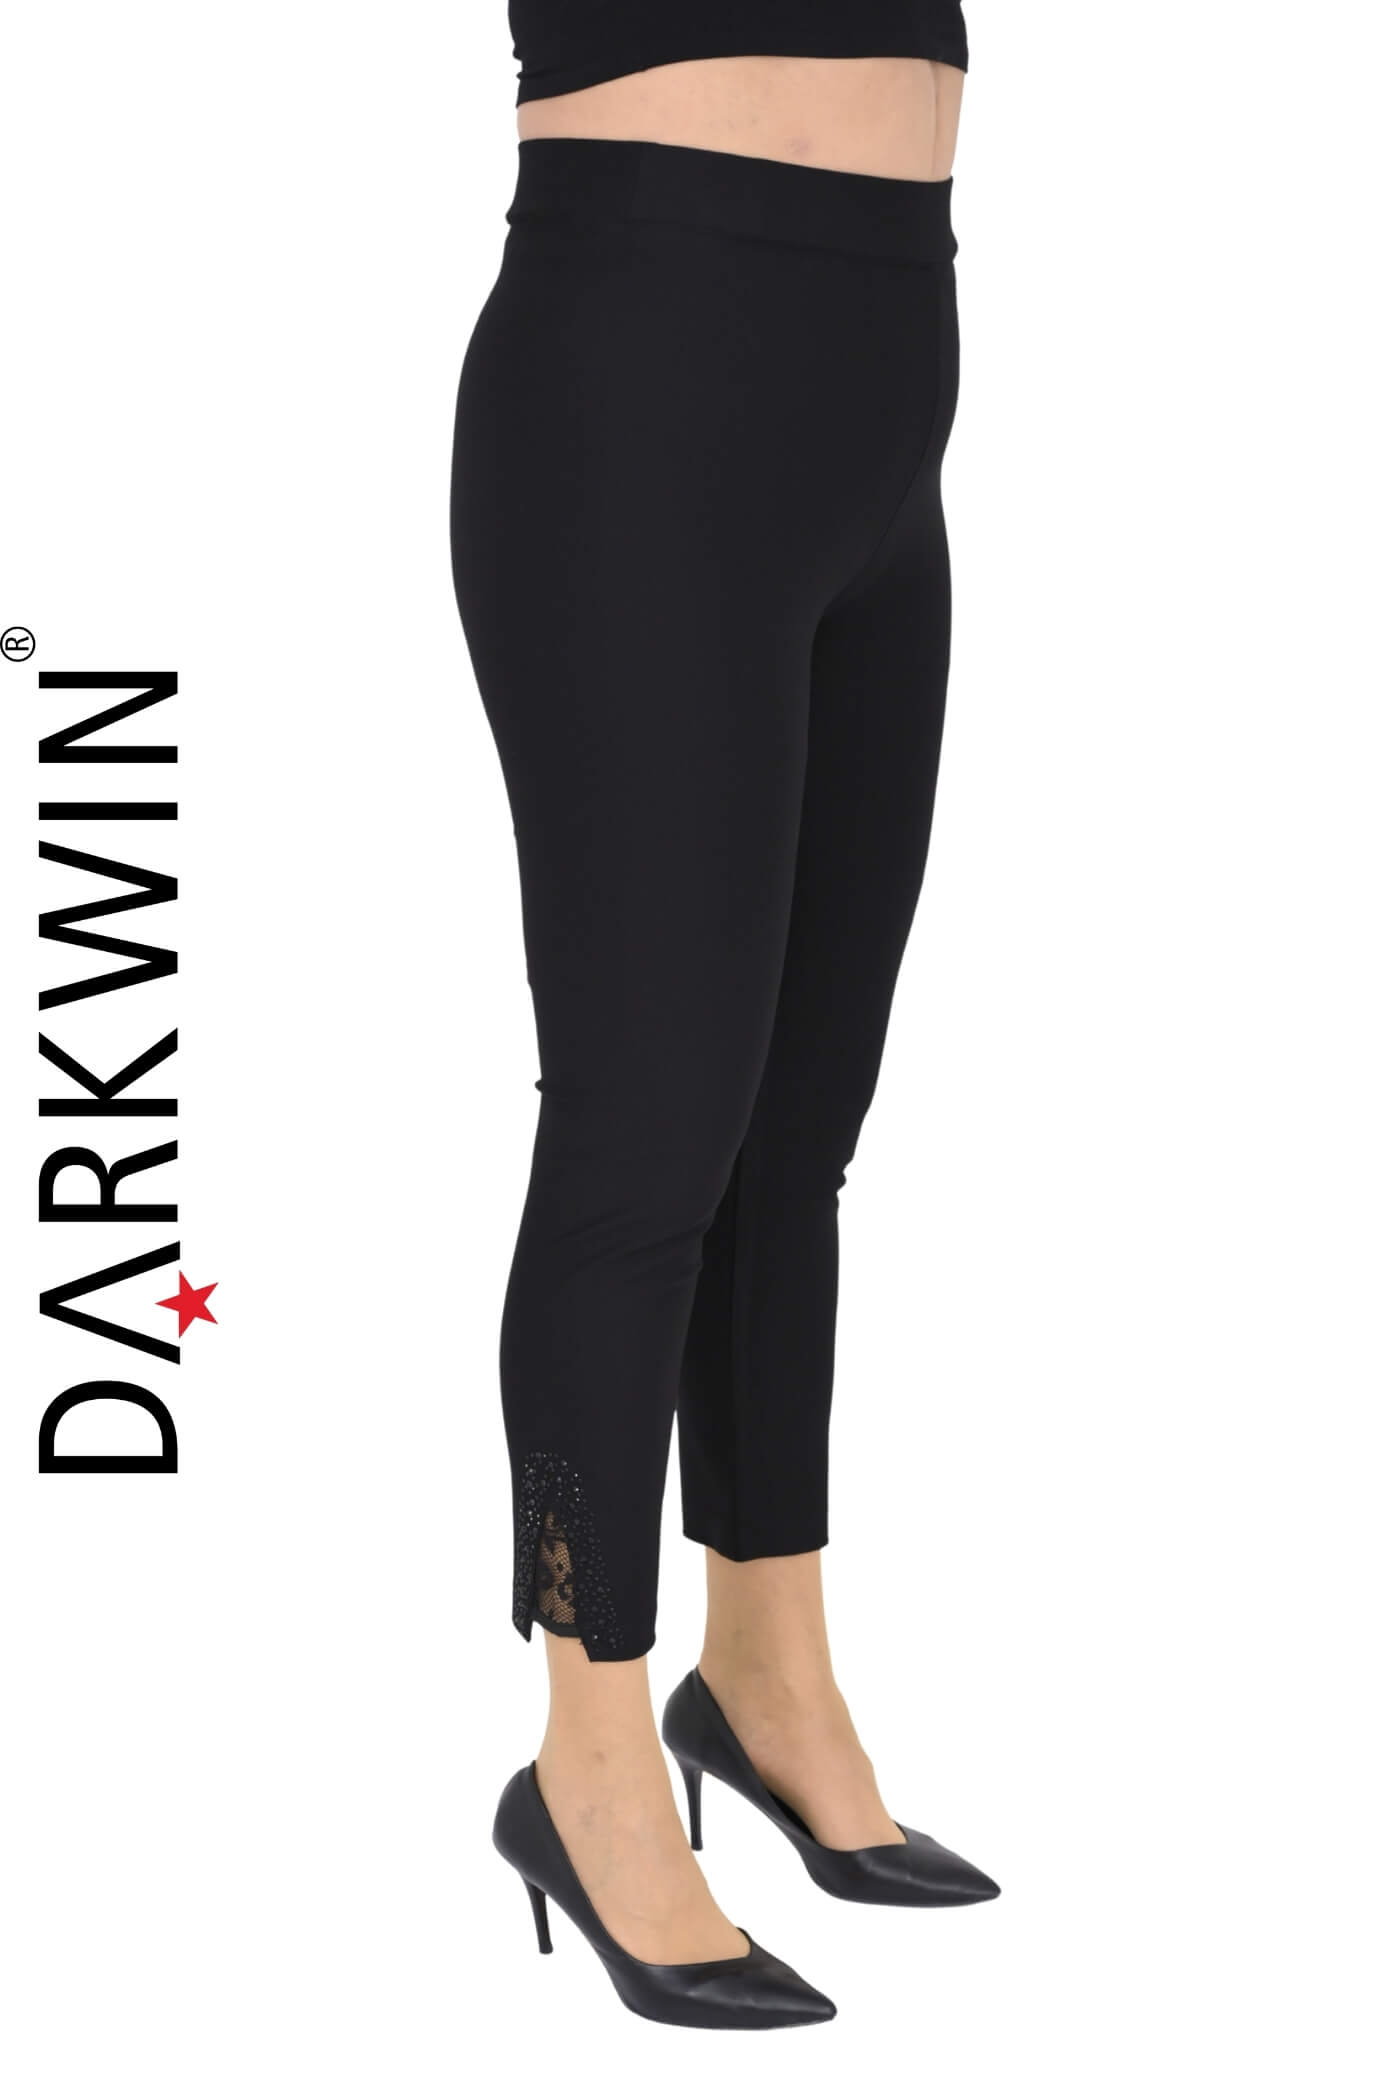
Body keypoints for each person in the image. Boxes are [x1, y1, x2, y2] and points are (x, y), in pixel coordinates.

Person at [450, 3, 998, 2028]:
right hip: (645, 357)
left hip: (892, 366)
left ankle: (766, 1672)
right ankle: (586, 1758)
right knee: (644, 1131)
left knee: (795, 1129)